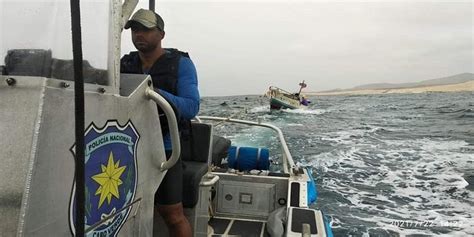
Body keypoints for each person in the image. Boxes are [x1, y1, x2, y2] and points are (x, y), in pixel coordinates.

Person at [120, 8, 199, 237]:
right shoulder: (125, 63)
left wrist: (153, 93)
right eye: (135, 29)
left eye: (145, 29)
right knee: (121, 210)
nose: (138, 34)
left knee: (173, 215)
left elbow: (191, 106)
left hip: (163, 149)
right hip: (127, 147)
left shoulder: (181, 64)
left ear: (161, 34)